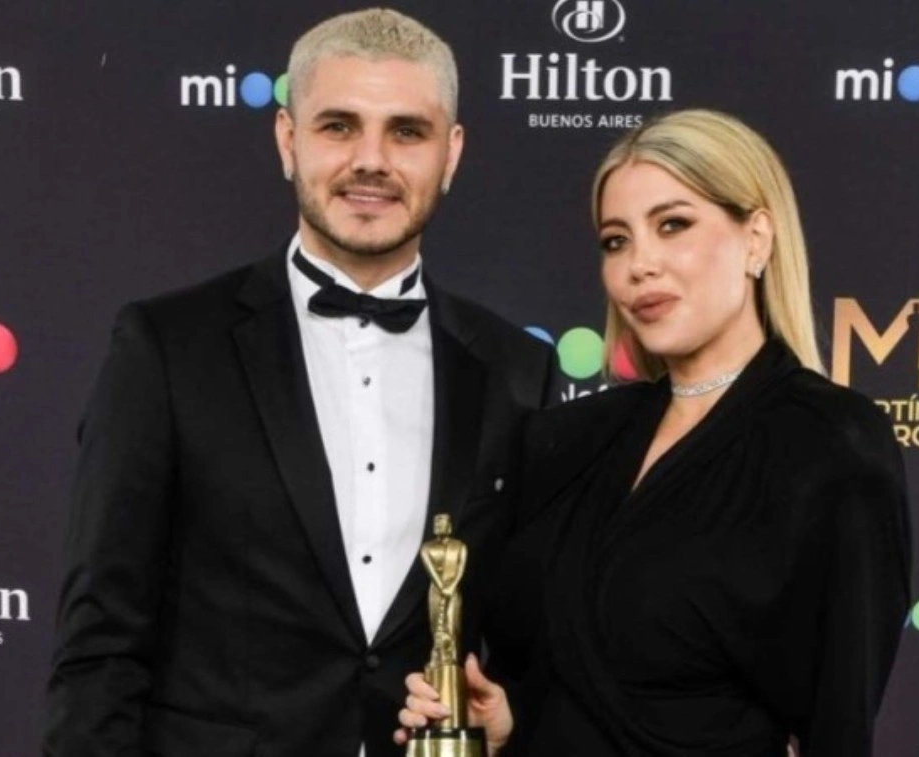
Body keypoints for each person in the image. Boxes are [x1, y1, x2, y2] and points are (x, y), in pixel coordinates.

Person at [45, 9, 554, 757]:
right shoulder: (167, 347)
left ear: (450, 153)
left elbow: (528, 644)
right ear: (288, 139)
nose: (371, 160)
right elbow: (100, 642)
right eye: (339, 126)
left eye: (406, 132)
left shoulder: (515, 369)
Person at [396, 109, 912, 756]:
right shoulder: (568, 439)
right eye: (616, 240)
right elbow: (562, 678)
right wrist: (508, 721)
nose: (640, 264)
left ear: (756, 239)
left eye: (673, 225)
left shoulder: (832, 443)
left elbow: (839, 724)